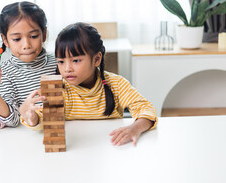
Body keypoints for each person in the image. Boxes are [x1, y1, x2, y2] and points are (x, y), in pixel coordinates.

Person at [21, 22, 157, 146]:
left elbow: (146, 109)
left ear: (97, 59)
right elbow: (41, 118)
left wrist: (134, 128)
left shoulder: (116, 84)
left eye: (75, 60)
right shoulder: (58, 89)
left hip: (111, 148)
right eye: (61, 61)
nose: (67, 68)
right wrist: (32, 118)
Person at [0, 1, 57, 127]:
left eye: (34, 36)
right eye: (17, 39)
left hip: (59, 131)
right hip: (24, 137)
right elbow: (12, 121)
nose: (26, 45)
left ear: (44, 34)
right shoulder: (4, 72)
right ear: (5, 40)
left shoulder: (58, 62)